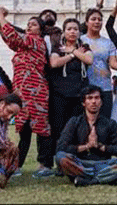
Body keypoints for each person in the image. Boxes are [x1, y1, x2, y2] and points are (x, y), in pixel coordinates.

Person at [0, 0, 54, 177]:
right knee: (24, 129)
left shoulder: (35, 41)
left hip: (37, 91)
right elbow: (9, 39)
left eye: (33, 25)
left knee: (41, 128)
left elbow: (13, 36)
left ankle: (45, 165)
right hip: (22, 92)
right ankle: (17, 165)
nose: (29, 27)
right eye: (28, 24)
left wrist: (1, 16)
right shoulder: (24, 45)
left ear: (40, 30)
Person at [55, 85, 117, 186]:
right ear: (83, 103)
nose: (93, 101)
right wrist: (87, 146)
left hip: (105, 164)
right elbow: (61, 147)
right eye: (89, 98)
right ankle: (107, 178)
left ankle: (88, 180)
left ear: (101, 102)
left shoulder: (110, 124)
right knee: (60, 157)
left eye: (97, 98)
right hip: (81, 164)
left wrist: (101, 147)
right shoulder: (74, 122)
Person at [47, 20, 94, 151]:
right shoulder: (58, 47)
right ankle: (60, 156)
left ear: (79, 32)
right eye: (69, 29)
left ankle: (76, 155)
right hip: (59, 94)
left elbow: (89, 59)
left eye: (75, 29)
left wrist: (73, 50)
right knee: (58, 128)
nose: (72, 32)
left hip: (79, 94)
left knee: (78, 128)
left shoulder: (84, 47)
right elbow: (54, 63)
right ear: (64, 32)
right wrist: (73, 55)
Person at [80, 8, 117, 120]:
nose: (97, 22)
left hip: (105, 88)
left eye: (99, 19)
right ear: (86, 22)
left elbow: (113, 63)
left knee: (104, 121)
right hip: (85, 87)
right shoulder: (80, 40)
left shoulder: (108, 43)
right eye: (93, 19)